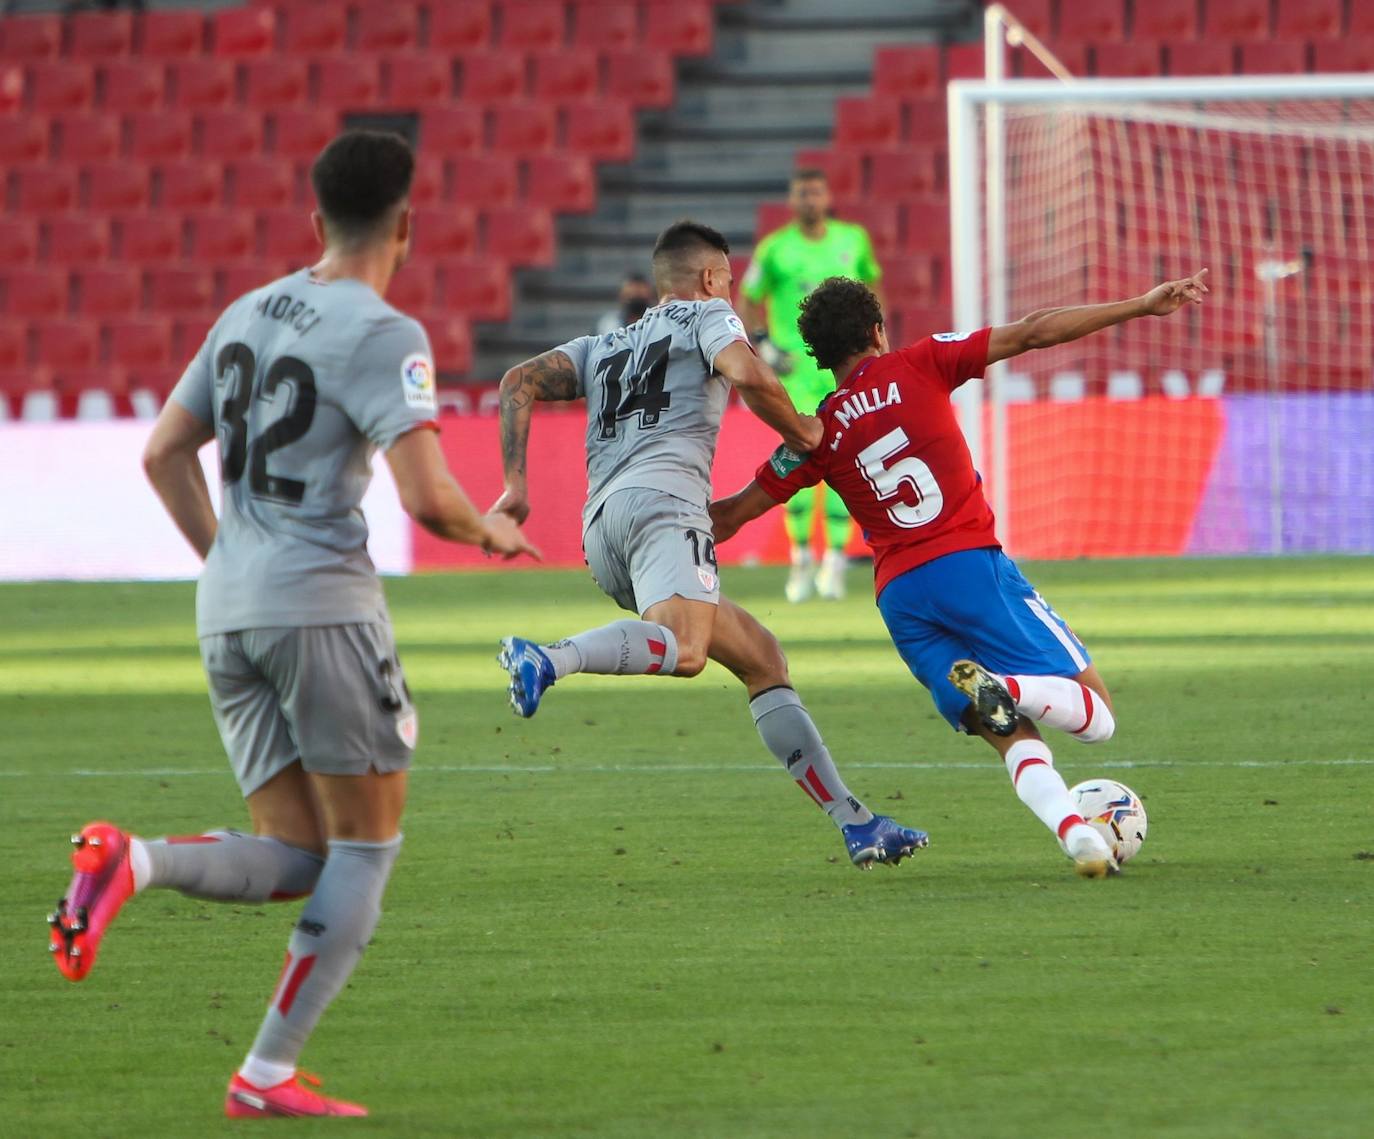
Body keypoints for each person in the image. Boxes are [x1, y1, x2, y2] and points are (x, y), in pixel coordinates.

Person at [44, 130, 539, 1118]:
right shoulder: (384, 331)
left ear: (315, 221)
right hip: (321, 607)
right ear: (407, 224)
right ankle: (265, 1070)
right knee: (365, 846)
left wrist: (229, 557)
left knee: (301, 850)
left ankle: (131, 860)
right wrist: (490, 527)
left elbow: (161, 453)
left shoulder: (242, 312)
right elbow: (430, 497)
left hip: (227, 607)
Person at [711, 270, 1210, 876]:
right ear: (877, 331)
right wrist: (1140, 303)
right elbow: (1032, 333)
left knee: (1012, 737)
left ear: (819, 357)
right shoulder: (922, 363)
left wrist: (644, 533)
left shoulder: (813, 433)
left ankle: (1078, 836)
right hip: (968, 566)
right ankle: (1012, 688)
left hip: (901, 599)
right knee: (1096, 716)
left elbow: (735, 513)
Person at [492, 220, 926, 870]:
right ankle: (550, 659)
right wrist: (805, 432)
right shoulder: (708, 316)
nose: (731, 292)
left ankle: (857, 822)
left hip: (602, 530)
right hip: (666, 509)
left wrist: (515, 487)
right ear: (706, 279)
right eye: (726, 278)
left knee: (762, 659)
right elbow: (745, 372)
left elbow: (516, 382)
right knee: (688, 650)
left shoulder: (600, 345)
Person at [739, 168, 882, 603]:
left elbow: (873, 288)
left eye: (816, 191)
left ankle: (834, 560)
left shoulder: (853, 240)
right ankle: (801, 556)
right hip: (794, 376)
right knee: (801, 458)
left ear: (827, 195)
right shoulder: (775, 248)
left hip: (844, 370)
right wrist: (761, 342)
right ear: (792, 199)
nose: (809, 199)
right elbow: (747, 296)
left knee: (847, 460)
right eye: (802, 193)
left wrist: (878, 337)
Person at [595, 271, 655, 335]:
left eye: (640, 294)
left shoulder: (658, 323)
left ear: (651, 295)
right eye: (631, 294)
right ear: (621, 296)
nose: (636, 294)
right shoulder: (609, 324)